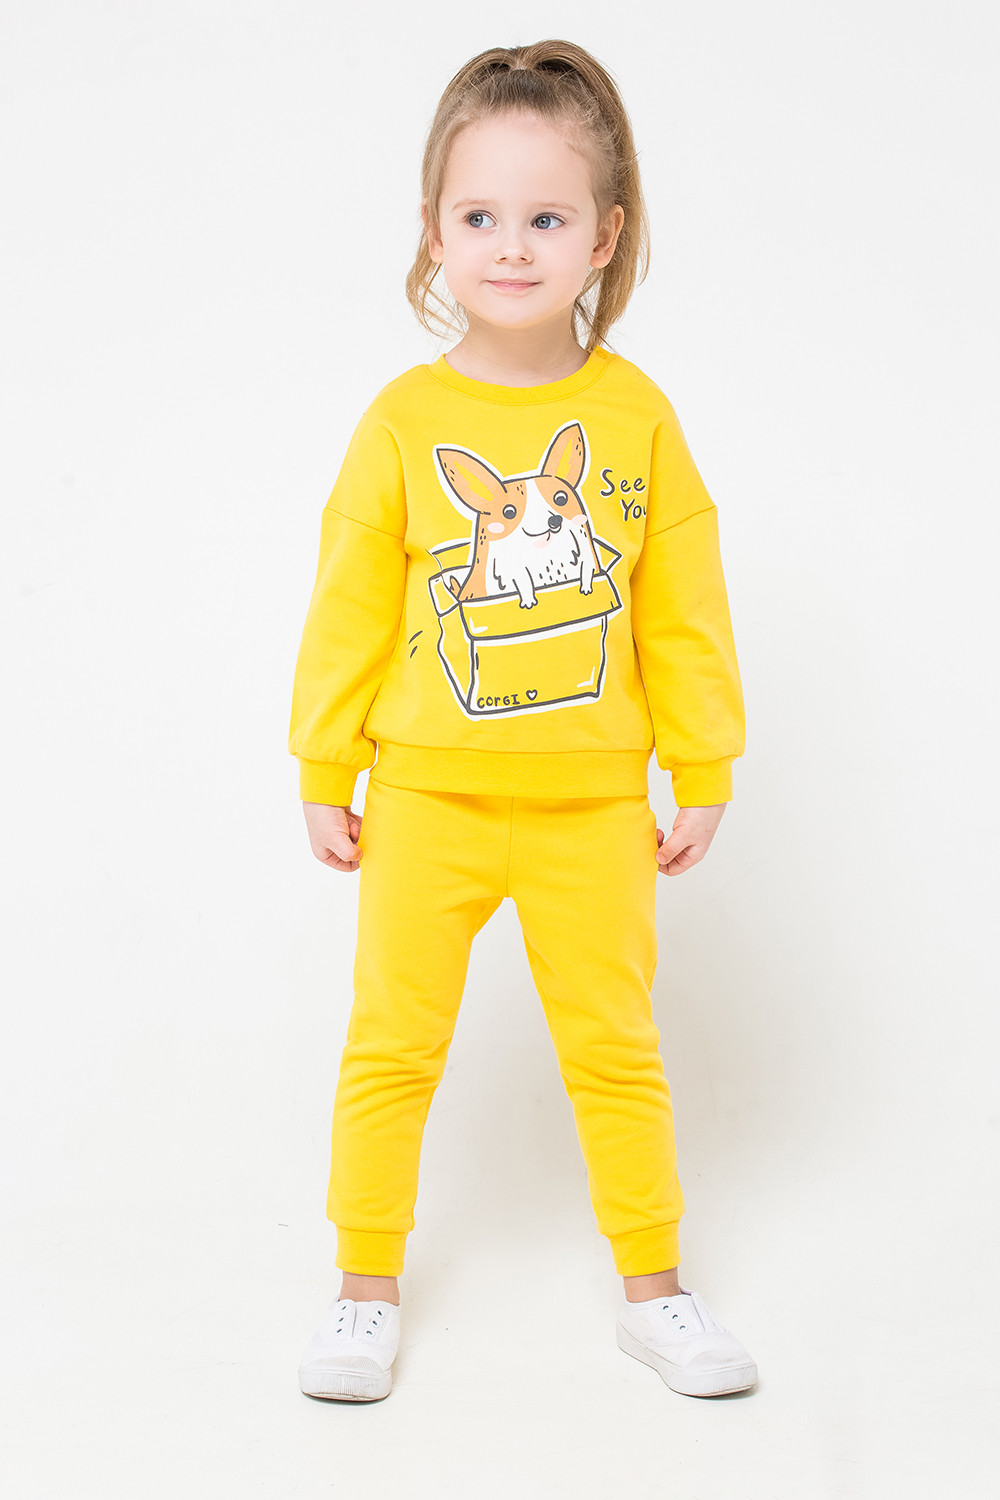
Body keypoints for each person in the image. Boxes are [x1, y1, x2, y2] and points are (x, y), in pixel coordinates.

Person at [289, 38, 757, 1404]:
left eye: (545, 218)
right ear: (434, 231)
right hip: (424, 800)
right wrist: (324, 760)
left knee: (616, 1049)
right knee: (392, 1046)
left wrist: (703, 763)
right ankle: (362, 1291)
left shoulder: (636, 418)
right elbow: (349, 604)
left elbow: (682, 604)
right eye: (479, 215)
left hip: (594, 808)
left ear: (604, 236)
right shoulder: (402, 423)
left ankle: (656, 1292)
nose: (509, 246)